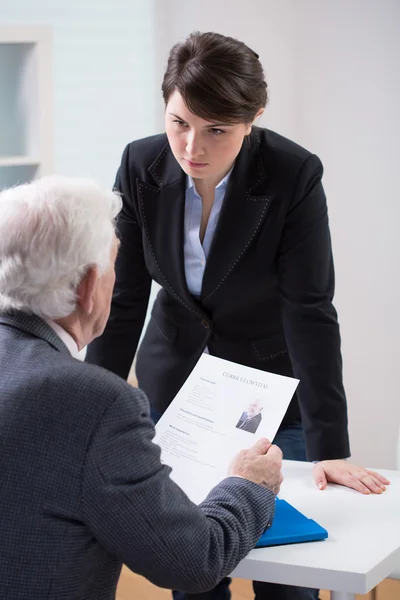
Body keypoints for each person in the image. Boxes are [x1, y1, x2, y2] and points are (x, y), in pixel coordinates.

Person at [86, 31, 390, 600]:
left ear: (252, 119)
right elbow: (123, 300)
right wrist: (95, 411)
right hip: (176, 388)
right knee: (194, 569)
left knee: (288, 578)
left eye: (216, 130)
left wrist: (330, 446)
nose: (191, 146)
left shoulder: (291, 174)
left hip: (271, 394)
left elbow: (309, 308)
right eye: (179, 121)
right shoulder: (140, 163)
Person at [0, 176, 284, 600]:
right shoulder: (94, 402)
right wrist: (249, 483)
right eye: (114, 267)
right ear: (88, 287)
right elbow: (194, 561)